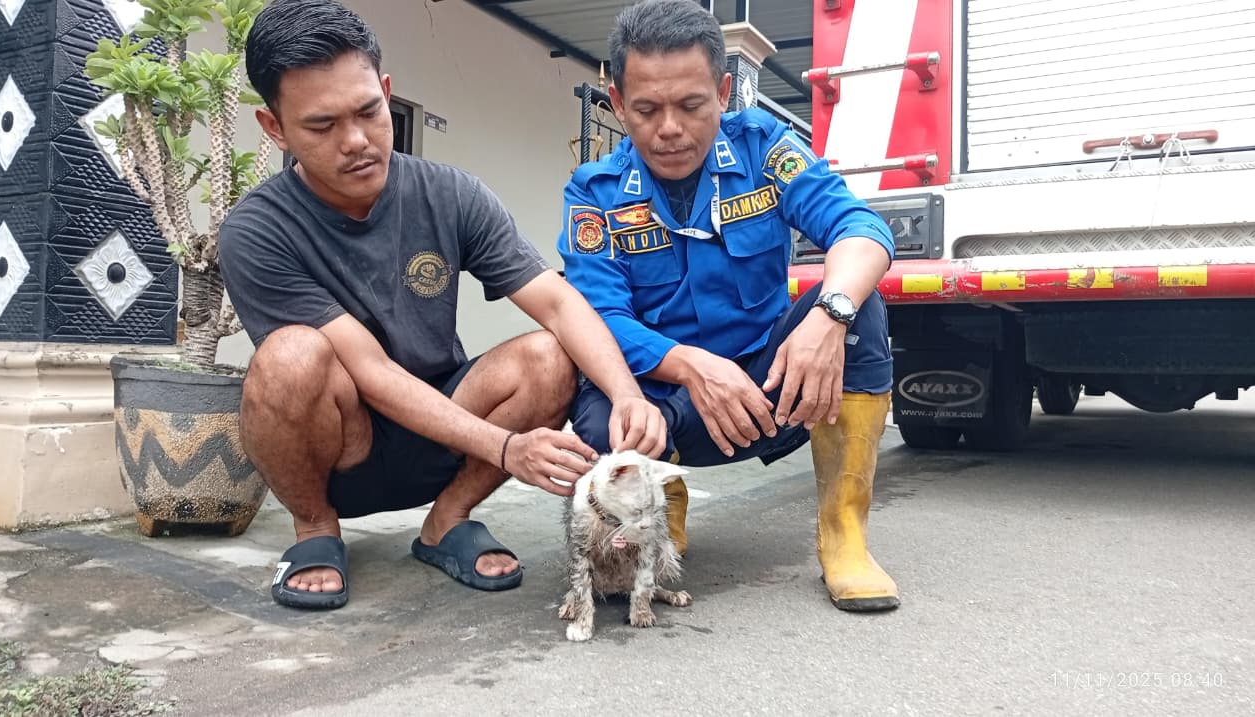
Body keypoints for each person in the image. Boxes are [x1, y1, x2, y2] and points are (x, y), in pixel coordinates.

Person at [219, 0, 666, 610]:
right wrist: (508, 448)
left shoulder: (449, 194)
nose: (356, 142)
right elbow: (369, 371)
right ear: (275, 129)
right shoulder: (257, 229)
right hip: (343, 448)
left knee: (549, 356)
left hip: (447, 429)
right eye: (322, 126)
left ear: (386, 90)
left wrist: (627, 394)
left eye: (369, 112)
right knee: (289, 355)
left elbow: (559, 303)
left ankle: (447, 522)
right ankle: (315, 530)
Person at [558, 0, 899, 611]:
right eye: (646, 110)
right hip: (665, 403)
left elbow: (860, 228)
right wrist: (689, 365)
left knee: (856, 308)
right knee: (598, 418)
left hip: (763, 394)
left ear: (722, 90)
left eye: (690, 105)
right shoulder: (595, 191)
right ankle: (664, 501)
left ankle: (843, 533)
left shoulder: (764, 148)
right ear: (616, 104)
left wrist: (829, 315)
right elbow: (596, 315)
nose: (669, 129)